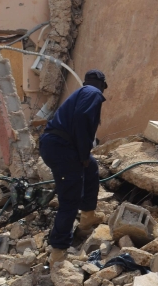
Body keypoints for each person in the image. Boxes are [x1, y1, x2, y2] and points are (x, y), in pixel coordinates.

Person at [40, 69, 108, 265]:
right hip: (63, 148)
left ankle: (87, 216)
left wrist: (85, 157)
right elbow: (81, 120)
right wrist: (83, 152)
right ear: (102, 85)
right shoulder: (93, 93)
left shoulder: (80, 93)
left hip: (55, 145)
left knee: (91, 167)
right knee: (70, 197)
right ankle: (58, 251)